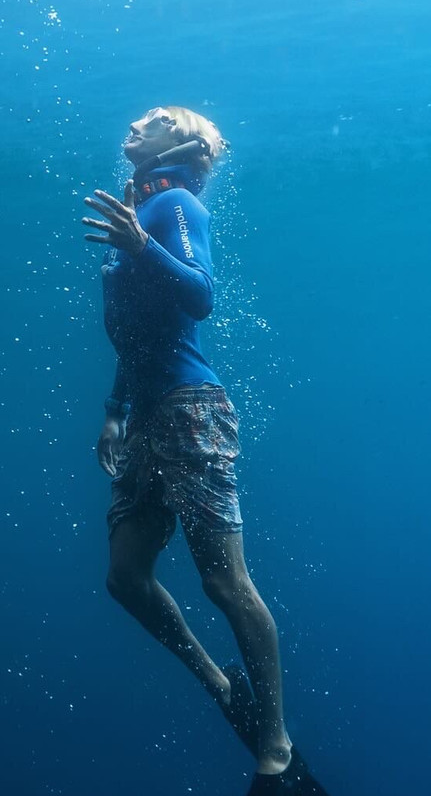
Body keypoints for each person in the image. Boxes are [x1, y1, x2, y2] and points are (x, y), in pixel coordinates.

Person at [80, 107, 325, 795]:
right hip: (149, 416)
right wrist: (113, 411)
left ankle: (274, 750)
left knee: (224, 583)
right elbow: (136, 329)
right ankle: (224, 687)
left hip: (191, 412)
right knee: (125, 579)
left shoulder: (178, 203)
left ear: (182, 142)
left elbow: (200, 297)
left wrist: (140, 244)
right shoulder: (145, 207)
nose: (136, 120)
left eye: (156, 118)